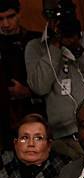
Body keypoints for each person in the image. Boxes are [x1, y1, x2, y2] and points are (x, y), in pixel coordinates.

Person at [25, 0, 84, 159]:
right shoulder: (35, 47)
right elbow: (39, 87)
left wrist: (78, 50)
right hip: (63, 138)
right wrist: (55, 47)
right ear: (47, 17)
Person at [0, 0, 44, 141]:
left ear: (19, 13)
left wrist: (28, 91)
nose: (5, 24)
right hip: (5, 118)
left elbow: (52, 78)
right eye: (0, 19)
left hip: (38, 110)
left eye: (10, 17)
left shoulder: (37, 40)